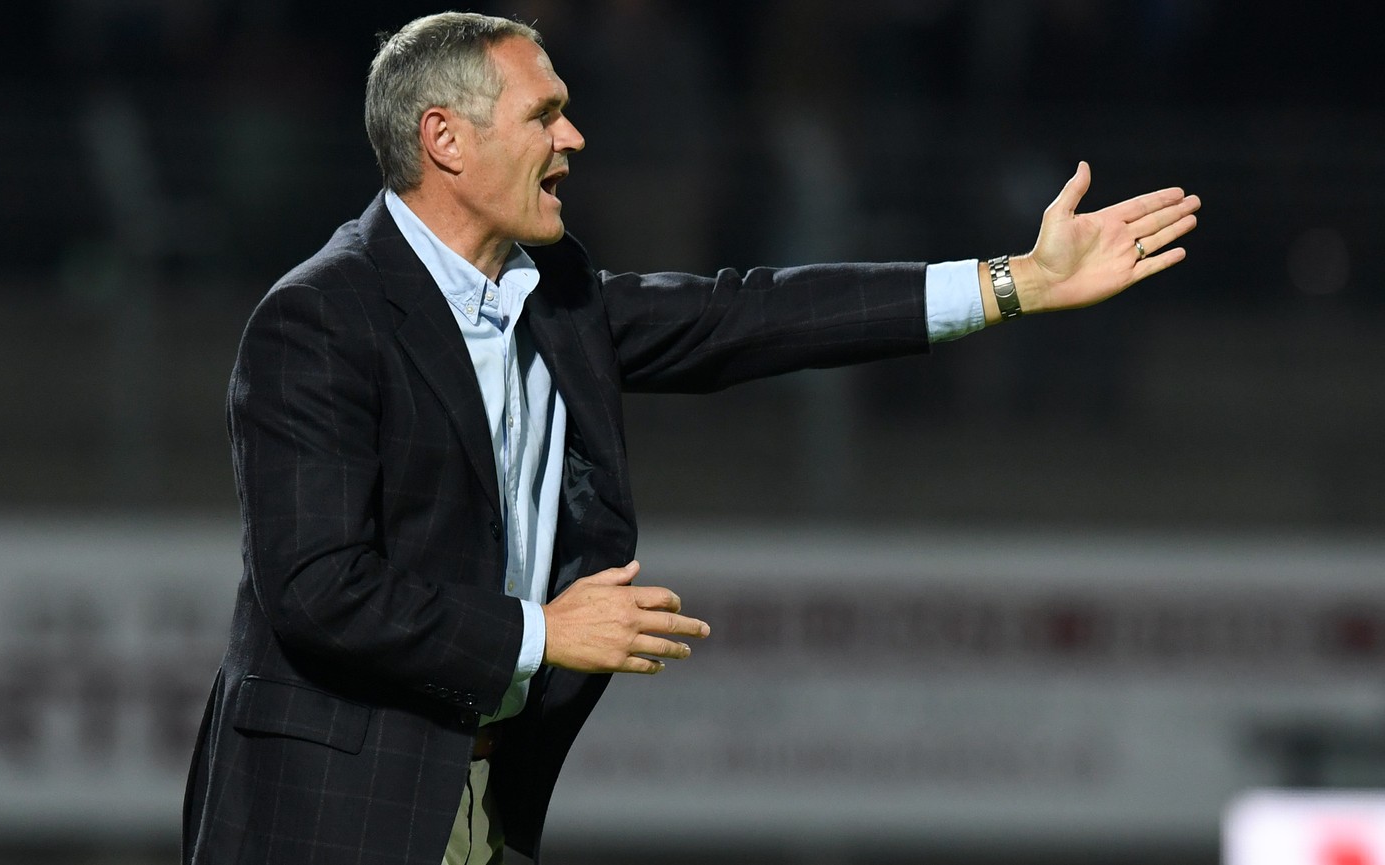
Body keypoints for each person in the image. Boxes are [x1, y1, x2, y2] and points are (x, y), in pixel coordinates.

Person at [180, 11, 1200, 865]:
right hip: (324, 810)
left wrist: (1013, 282)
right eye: (546, 114)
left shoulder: (551, 292)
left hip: (481, 789)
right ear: (446, 139)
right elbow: (315, 591)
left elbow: (743, 318)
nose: (573, 139)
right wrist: (542, 635)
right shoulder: (320, 318)